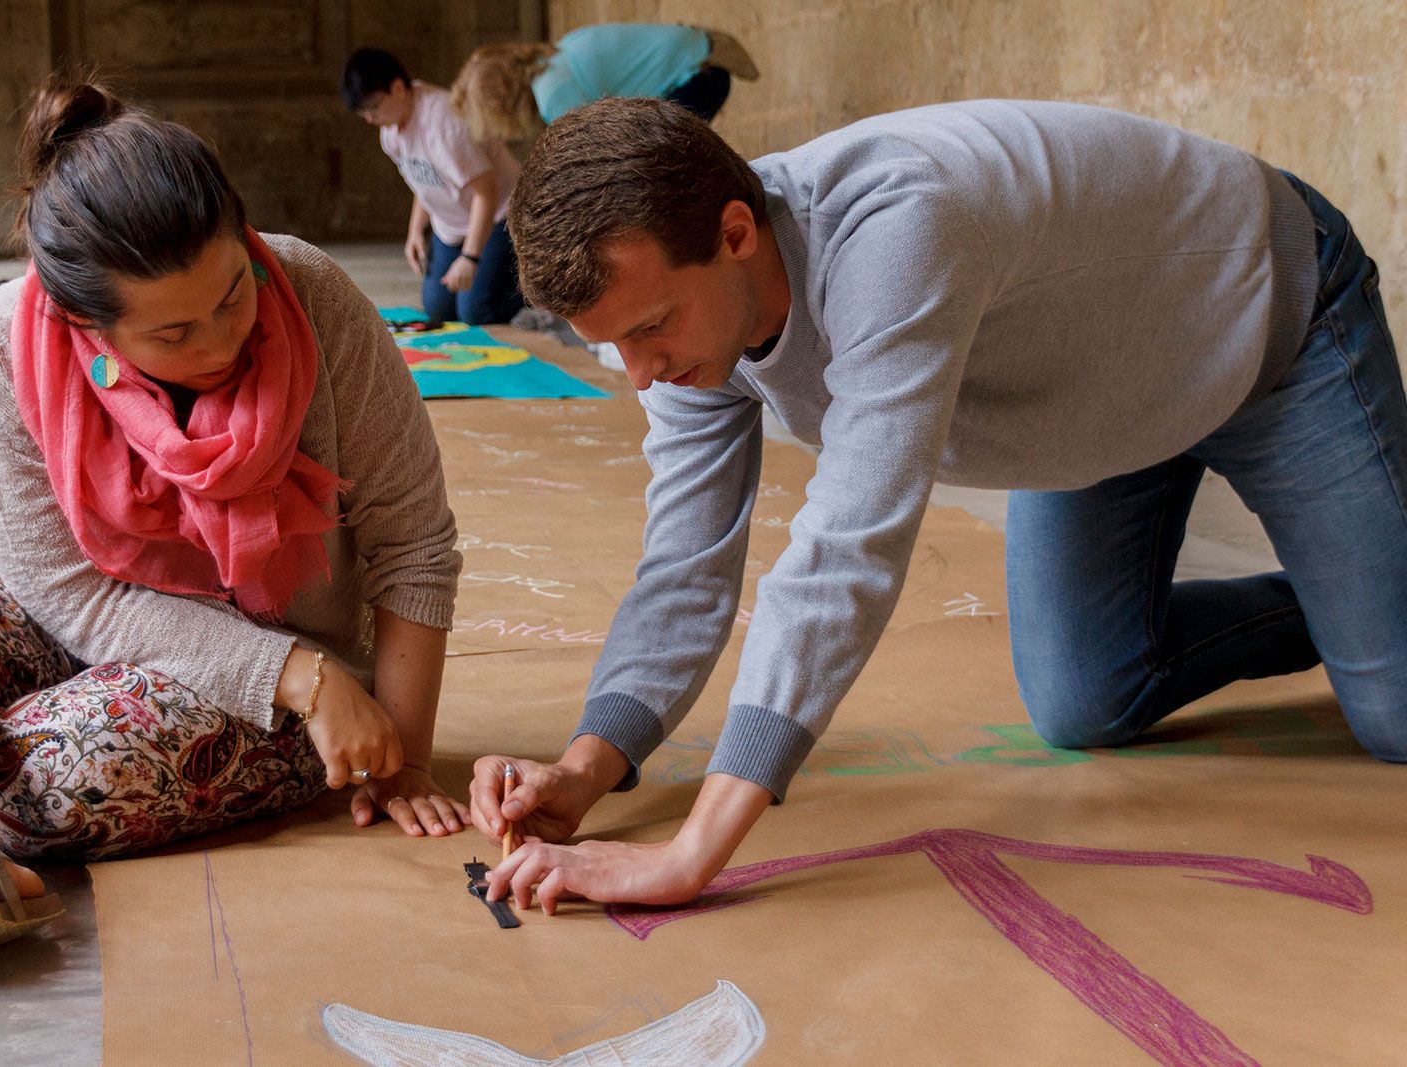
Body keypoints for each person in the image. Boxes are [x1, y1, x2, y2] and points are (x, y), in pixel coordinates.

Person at [467, 97, 1406, 914]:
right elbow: (684, 563)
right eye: (614, 348)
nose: (643, 375)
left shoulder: (898, 227)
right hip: (1100, 401)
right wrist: (586, 767)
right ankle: (1348, 593)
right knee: (1089, 698)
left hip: (1269, 324)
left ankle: (1373, 595)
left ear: (735, 233)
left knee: (1397, 713)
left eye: (649, 329)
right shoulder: (688, 321)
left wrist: (690, 853)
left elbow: (846, 547)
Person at [0, 78, 467, 982]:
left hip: (270, 663)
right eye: (174, 332)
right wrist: (299, 678)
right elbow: (64, 589)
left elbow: (414, 540)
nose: (223, 340)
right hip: (107, 624)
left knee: (78, 763)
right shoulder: (0, 343)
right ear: (82, 321)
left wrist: (402, 754)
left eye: (234, 293)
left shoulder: (311, 291)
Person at [342, 48, 524, 326]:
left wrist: (470, 258)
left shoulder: (445, 126)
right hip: (453, 225)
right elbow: (424, 180)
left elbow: (486, 193)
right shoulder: (390, 131)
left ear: (398, 88)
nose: (370, 118)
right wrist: (415, 231)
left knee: (475, 312)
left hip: (500, 216)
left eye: (373, 108)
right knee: (438, 309)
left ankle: (534, 284)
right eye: (364, 112)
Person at [450, 23, 757, 147]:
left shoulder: (553, 96)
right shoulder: (555, 59)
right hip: (705, 61)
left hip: (700, 77)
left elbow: (599, 149)